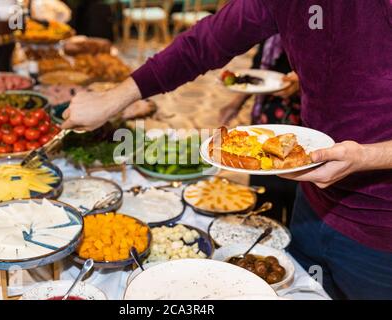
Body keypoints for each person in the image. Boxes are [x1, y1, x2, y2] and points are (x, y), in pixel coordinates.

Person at [61, 0, 392, 299]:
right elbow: (205, 43)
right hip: (312, 203)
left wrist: (367, 156)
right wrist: (111, 99)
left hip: (381, 232)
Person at [220, 35, 301, 225]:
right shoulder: (274, 22)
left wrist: (303, 81)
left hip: (300, 121)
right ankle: (263, 241)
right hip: (265, 118)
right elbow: (258, 72)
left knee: (294, 190)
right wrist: (235, 104)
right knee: (263, 187)